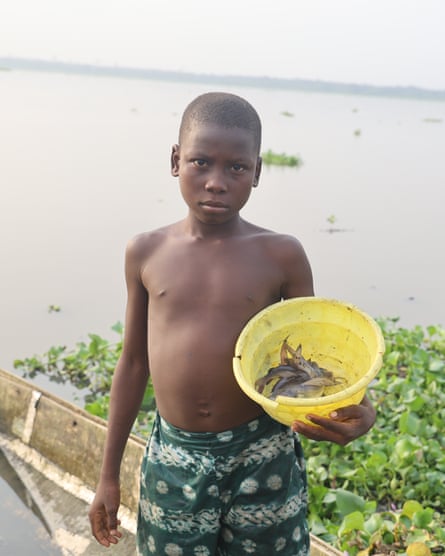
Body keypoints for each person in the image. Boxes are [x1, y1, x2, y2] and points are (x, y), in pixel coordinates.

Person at [89, 92, 376, 555]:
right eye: (201, 162)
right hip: (174, 456)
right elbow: (133, 363)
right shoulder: (146, 252)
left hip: (263, 453)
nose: (216, 182)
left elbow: (316, 360)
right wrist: (107, 477)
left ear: (257, 172)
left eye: (236, 168)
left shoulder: (281, 255)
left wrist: (363, 409)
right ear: (175, 161)